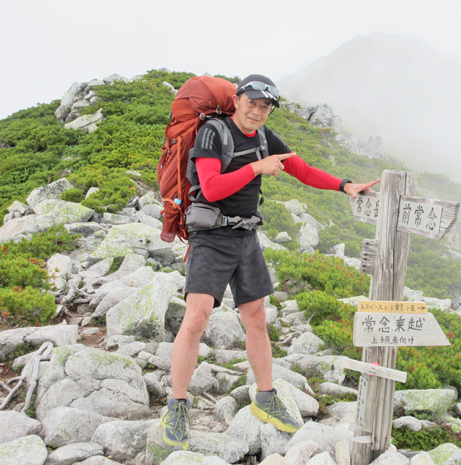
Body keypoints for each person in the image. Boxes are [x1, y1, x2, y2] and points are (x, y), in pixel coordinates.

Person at [161, 74, 380, 450]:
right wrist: (256, 169)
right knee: (196, 317)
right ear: (238, 100)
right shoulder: (214, 133)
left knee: (257, 319)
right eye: (253, 103)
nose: (258, 111)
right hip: (211, 236)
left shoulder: (265, 138)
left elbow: (303, 170)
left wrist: (345, 185)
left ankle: (265, 397)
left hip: (245, 236)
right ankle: (177, 404)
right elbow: (211, 189)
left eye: (266, 107)